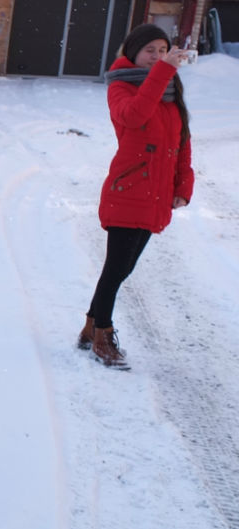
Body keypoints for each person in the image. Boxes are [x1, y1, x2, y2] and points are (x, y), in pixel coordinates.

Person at [79, 23, 193, 369]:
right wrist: (164, 71)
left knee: (122, 269)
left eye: (163, 51)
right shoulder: (121, 87)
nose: (157, 57)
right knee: (115, 269)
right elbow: (134, 115)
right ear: (133, 53)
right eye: (150, 51)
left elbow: (181, 141)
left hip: (156, 193)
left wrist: (182, 186)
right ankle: (103, 334)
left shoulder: (169, 88)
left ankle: (88, 328)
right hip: (128, 189)